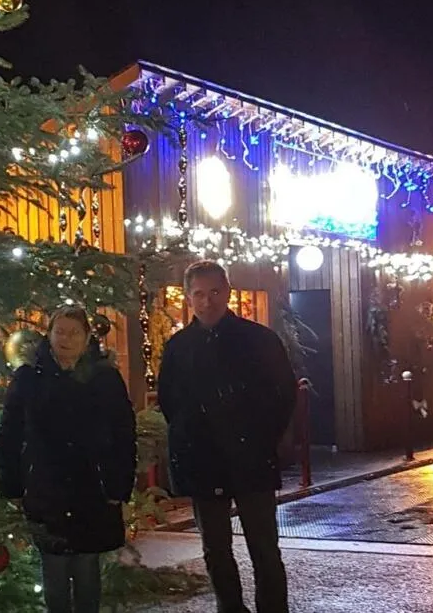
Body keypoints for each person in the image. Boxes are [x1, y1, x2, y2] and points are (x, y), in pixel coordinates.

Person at [158, 260, 297, 613]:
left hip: (251, 456)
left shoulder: (259, 340)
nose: (208, 302)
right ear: (188, 297)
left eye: (215, 292)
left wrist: (264, 438)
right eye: (199, 294)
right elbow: (170, 401)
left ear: (228, 293)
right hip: (203, 460)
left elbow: (283, 394)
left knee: (263, 546)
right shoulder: (178, 348)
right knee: (215, 549)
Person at [0, 306, 136, 613]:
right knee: (54, 573)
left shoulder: (105, 378)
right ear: (49, 334)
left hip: (92, 488)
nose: (66, 339)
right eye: (60, 331)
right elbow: (9, 434)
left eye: (74, 333)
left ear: (87, 337)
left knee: (87, 570)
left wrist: (118, 485)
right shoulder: (29, 378)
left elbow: (123, 435)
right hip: (46, 487)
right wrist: (12, 485)